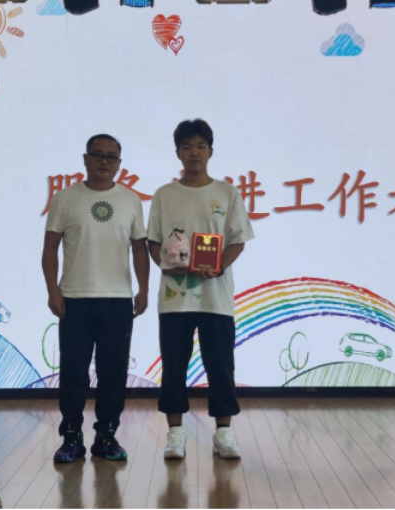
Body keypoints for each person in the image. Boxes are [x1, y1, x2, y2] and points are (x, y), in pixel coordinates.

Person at [147, 119, 255, 461]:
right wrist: (167, 264)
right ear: (178, 153)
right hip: (174, 299)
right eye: (187, 147)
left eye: (200, 146)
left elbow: (238, 240)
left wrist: (219, 265)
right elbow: (153, 241)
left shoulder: (227, 193)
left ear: (210, 151)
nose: (194, 153)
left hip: (215, 298)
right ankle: (175, 433)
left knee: (221, 366)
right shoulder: (164, 195)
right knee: (174, 366)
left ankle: (223, 433)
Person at [43, 134, 150, 464]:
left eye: (111, 157)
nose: (104, 161)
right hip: (75, 298)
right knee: (73, 372)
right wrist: (53, 290)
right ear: (85, 159)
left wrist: (143, 289)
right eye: (98, 155)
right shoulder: (65, 199)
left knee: (113, 372)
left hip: (117, 300)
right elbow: (50, 248)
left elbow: (140, 249)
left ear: (119, 163)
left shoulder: (131, 200)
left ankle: (106, 436)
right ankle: (71, 438)